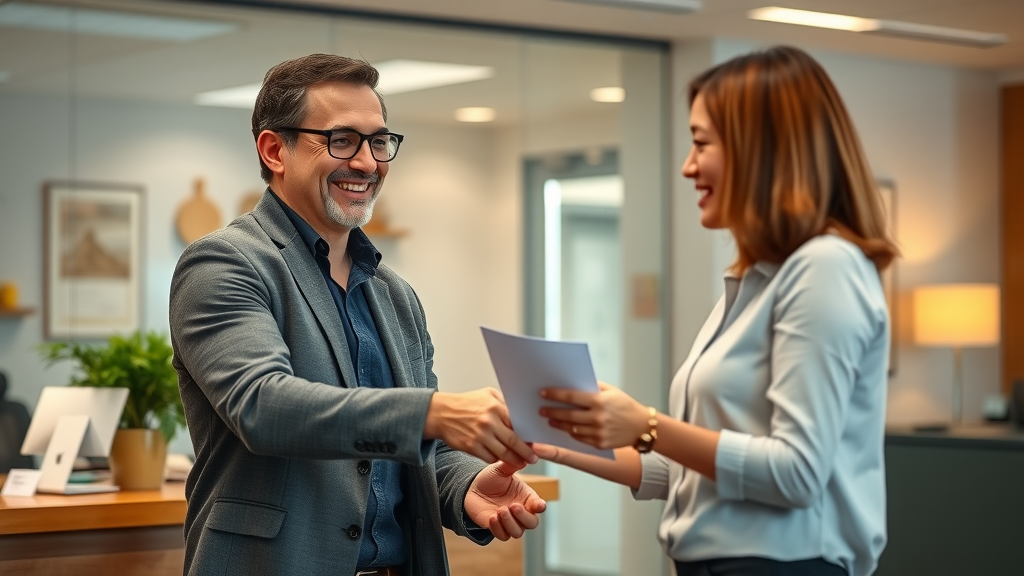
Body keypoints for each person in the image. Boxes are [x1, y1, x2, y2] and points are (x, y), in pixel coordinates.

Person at [169, 53, 545, 576]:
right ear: (275, 149)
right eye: (342, 140)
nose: (368, 163)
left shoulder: (395, 295)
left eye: (379, 141)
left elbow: (404, 451)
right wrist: (432, 412)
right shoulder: (225, 263)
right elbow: (263, 406)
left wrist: (464, 487)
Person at [535, 46, 896, 576]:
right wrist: (559, 442)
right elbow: (692, 470)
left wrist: (647, 424)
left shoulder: (826, 268)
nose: (687, 166)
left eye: (701, 143)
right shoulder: (755, 280)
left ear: (764, 151)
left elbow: (794, 474)